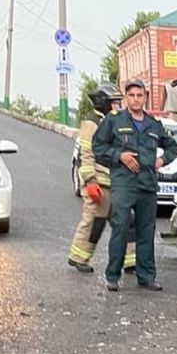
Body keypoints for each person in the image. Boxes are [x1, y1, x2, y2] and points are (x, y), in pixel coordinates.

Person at [92, 78, 177, 292]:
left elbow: (172, 146)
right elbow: (98, 147)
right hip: (124, 183)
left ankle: (146, 276)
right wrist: (119, 156)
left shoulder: (153, 124)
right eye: (131, 95)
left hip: (147, 184)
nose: (136, 99)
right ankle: (112, 275)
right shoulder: (114, 121)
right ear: (126, 97)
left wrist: (162, 160)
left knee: (146, 231)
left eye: (140, 95)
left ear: (145, 97)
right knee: (121, 226)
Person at [67, 83, 135, 275]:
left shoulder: (111, 121)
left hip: (114, 183)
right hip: (99, 183)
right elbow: (86, 153)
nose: (118, 106)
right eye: (114, 103)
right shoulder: (92, 123)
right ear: (103, 103)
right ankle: (78, 257)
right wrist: (90, 182)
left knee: (127, 220)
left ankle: (132, 261)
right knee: (94, 221)